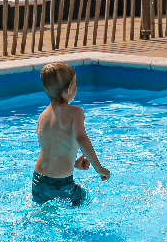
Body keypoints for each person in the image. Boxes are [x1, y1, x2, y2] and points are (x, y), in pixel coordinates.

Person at [32, 62, 110, 206]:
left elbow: (51, 152)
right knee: (85, 198)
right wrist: (99, 168)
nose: (76, 87)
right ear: (69, 89)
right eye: (75, 84)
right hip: (61, 183)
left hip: (38, 181)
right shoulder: (76, 112)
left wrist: (73, 164)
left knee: (45, 212)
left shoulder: (42, 116)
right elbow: (81, 139)